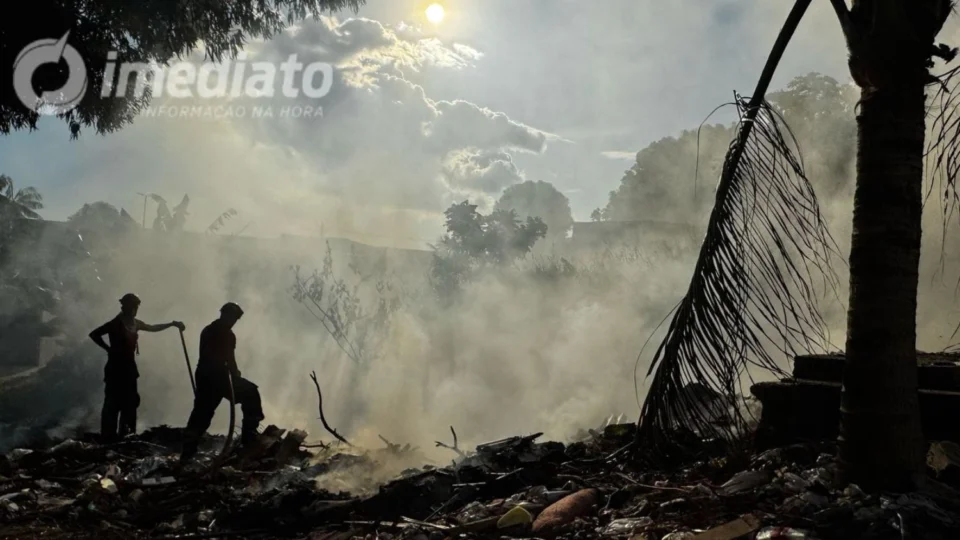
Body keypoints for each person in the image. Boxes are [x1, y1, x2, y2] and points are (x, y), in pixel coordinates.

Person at [89, 293, 185, 442]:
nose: (134, 309)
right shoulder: (116, 323)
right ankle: (108, 436)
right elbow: (94, 334)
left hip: (129, 369)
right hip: (115, 369)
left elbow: (152, 328)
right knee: (113, 402)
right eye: (132, 306)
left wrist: (172, 324)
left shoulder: (135, 323)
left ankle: (126, 435)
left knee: (130, 402)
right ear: (125, 307)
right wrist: (108, 349)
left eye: (135, 307)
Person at [180, 302, 264, 463]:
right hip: (218, 377)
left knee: (201, 413)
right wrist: (235, 374)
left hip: (204, 375)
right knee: (251, 392)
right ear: (226, 315)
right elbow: (229, 359)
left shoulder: (207, 330)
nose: (233, 321)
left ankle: (187, 452)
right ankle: (249, 437)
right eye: (233, 318)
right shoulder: (226, 334)